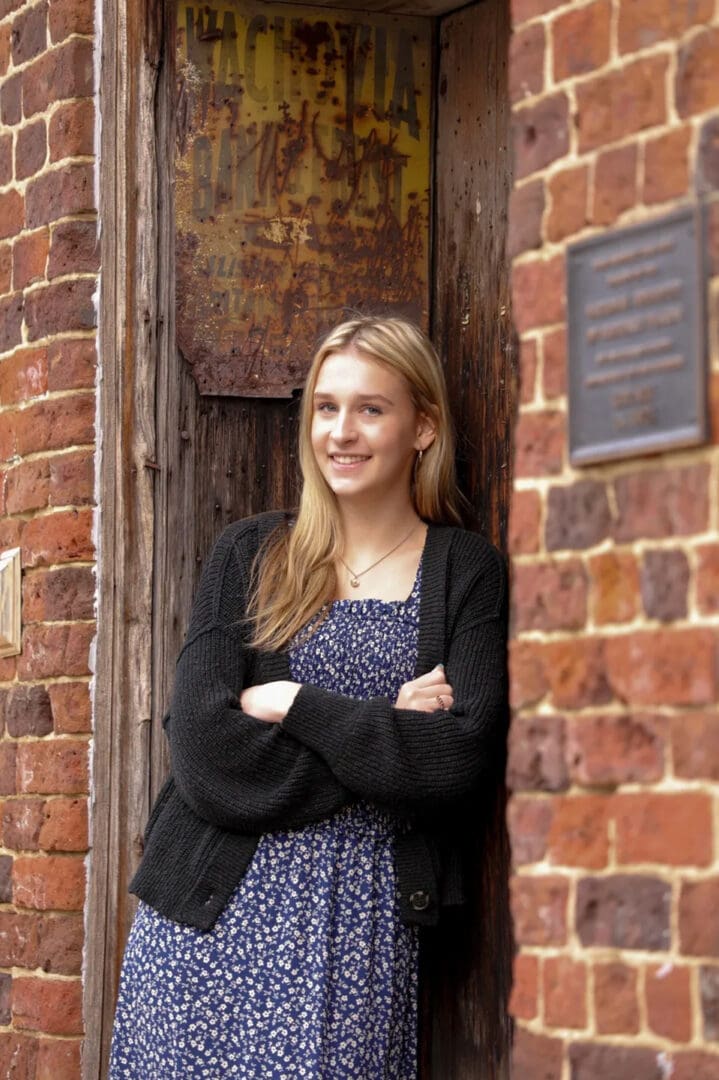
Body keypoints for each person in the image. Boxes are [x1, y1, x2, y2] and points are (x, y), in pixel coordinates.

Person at [109, 315, 507, 1078]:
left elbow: (455, 758)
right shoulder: (250, 554)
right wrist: (386, 729)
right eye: (325, 407)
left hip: (353, 925)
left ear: (422, 427)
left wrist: (291, 703)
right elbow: (205, 753)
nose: (341, 432)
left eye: (370, 408)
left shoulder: (464, 570)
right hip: (203, 916)